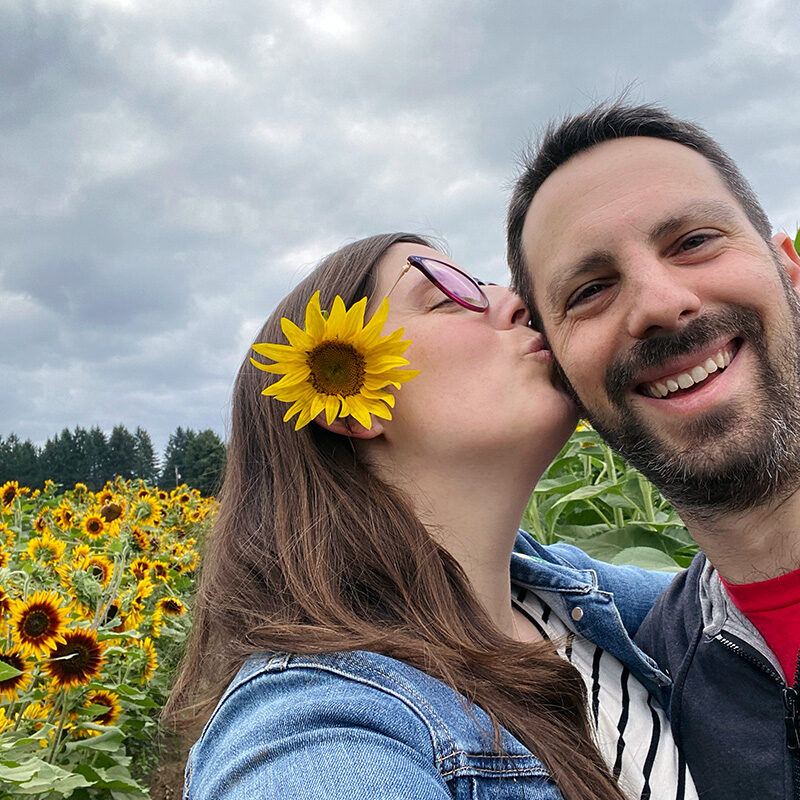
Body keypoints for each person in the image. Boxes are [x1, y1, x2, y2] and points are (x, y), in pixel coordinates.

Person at [164, 232, 696, 799]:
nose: (516, 300)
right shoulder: (323, 724)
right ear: (348, 399)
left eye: (490, 282)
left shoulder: (568, 598)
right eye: (449, 295)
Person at [506, 101, 800, 800]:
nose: (661, 304)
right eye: (591, 290)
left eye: (695, 240)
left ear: (790, 269)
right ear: (560, 373)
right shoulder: (651, 682)